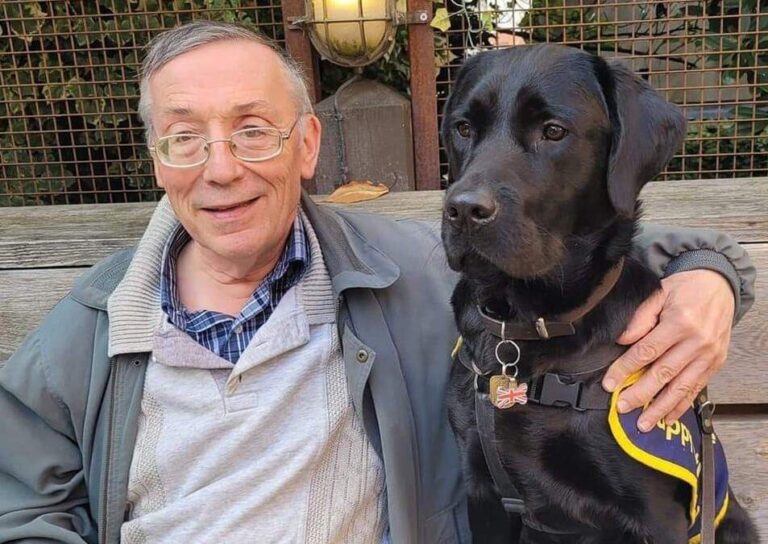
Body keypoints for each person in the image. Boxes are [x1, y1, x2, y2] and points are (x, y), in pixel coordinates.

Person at [0, 20, 755, 544]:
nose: (220, 166)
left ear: (308, 145)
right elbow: (20, 505)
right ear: (158, 162)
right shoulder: (89, 325)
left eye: (252, 130)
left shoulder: (408, 272)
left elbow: (583, 251)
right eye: (186, 137)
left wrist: (709, 273)